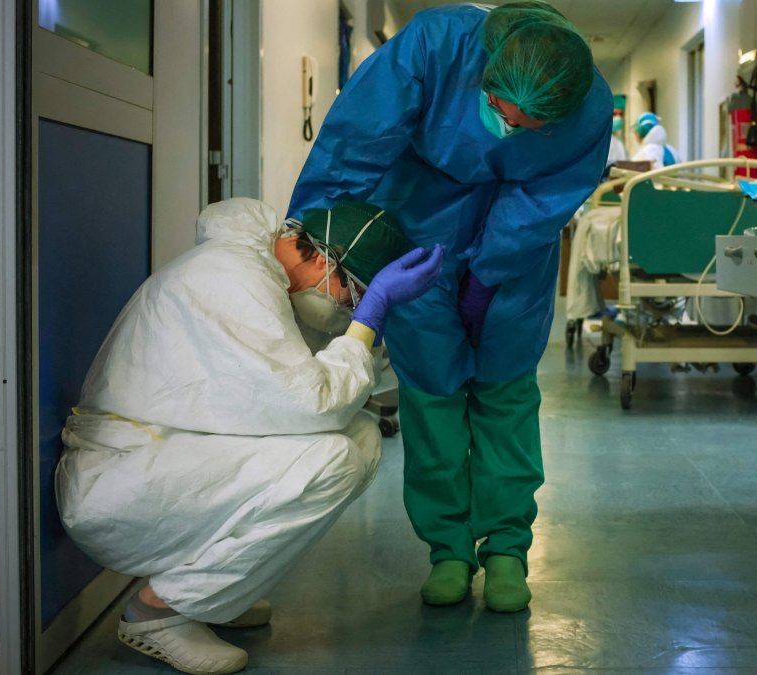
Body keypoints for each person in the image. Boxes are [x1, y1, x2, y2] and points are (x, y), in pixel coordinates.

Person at [288, 1, 611, 614]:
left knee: (505, 385)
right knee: (432, 389)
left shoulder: (588, 104)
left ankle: (509, 548)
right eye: (499, 113)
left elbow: (546, 197)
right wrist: (316, 230)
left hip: (518, 240)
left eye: (529, 128)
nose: (508, 131)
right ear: (485, 78)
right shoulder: (439, 43)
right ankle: (449, 549)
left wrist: (489, 273)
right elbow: (359, 136)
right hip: (418, 212)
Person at [55, 198, 443, 675]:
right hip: (115, 482)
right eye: (353, 294)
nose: (350, 309)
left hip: (160, 455)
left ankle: (210, 591)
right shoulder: (234, 281)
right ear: (323, 259)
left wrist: (367, 324)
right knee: (334, 458)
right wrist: (370, 318)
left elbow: (316, 386)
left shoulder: (264, 276)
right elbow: (314, 403)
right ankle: (157, 612)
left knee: (358, 435)